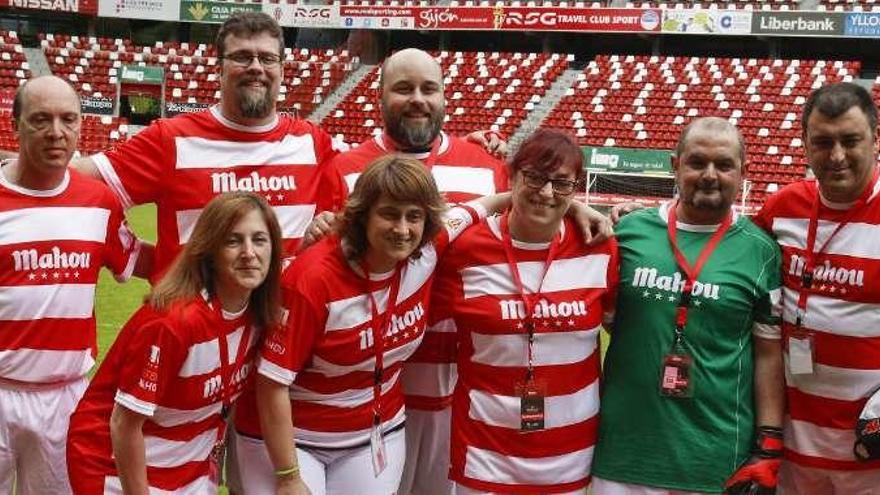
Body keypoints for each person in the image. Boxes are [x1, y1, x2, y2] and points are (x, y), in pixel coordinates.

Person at [236, 155, 512, 495]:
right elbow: (271, 383)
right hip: (292, 437)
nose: (402, 229)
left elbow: (477, 208)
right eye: (389, 214)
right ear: (363, 214)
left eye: (414, 216)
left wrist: (572, 208)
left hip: (372, 433)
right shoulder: (312, 279)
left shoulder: (427, 249)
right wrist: (289, 476)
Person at [309, 47, 509, 495]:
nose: (418, 98)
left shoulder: (486, 167)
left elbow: (526, 223)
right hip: (370, 379)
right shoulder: (343, 170)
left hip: (461, 374)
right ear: (379, 97)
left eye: (429, 88)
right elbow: (324, 268)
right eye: (403, 88)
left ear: (444, 97)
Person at [72, 11, 343, 284]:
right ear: (219, 71)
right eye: (242, 56)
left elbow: (362, 210)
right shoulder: (171, 139)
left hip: (281, 323)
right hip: (194, 324)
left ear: (282, 71)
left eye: (268, 58)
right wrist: (138, 257)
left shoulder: (314, 142)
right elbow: (75, 185)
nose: (256, 67)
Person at [591, 117, 784, 494]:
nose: (710, 175)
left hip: (714, 463)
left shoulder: (762, 252)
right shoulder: (626, 233)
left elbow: (768, 354)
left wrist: (769, 442)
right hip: (623, 459)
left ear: (744, 172)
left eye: (724, 165)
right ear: (674, 164)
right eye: (697, 162)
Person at [434, 129, 618, 493]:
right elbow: (416, 251)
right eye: (534, 177)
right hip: (485, 454)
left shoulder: (599, 247)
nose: (547, 193)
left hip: (571, 457)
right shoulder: (465, 251)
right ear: (512, 175)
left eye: (562, 184)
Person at [66, 192, 284, 493]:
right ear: (209, 251)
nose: (249, 252)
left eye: (259, 240)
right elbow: (123, 425)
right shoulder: (173, 323)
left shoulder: (260, 313)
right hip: (118, 471)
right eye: (233, 241)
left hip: (189, 471)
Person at [0, 75, 146, 494]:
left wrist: (207, 259)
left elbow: (138, 261)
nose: (56, 133)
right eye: (41, 120)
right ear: (16, 125)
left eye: (68, 119)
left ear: (82, 125)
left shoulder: (99, 202)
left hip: (65, 399)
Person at [752, 82, 880, 494]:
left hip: (870, 453)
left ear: (875, 140)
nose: (837, 155)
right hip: (792, 451)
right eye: (823, 142)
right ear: (804, 144)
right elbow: (718, 247)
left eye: (851, 140)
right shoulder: (782, 208)